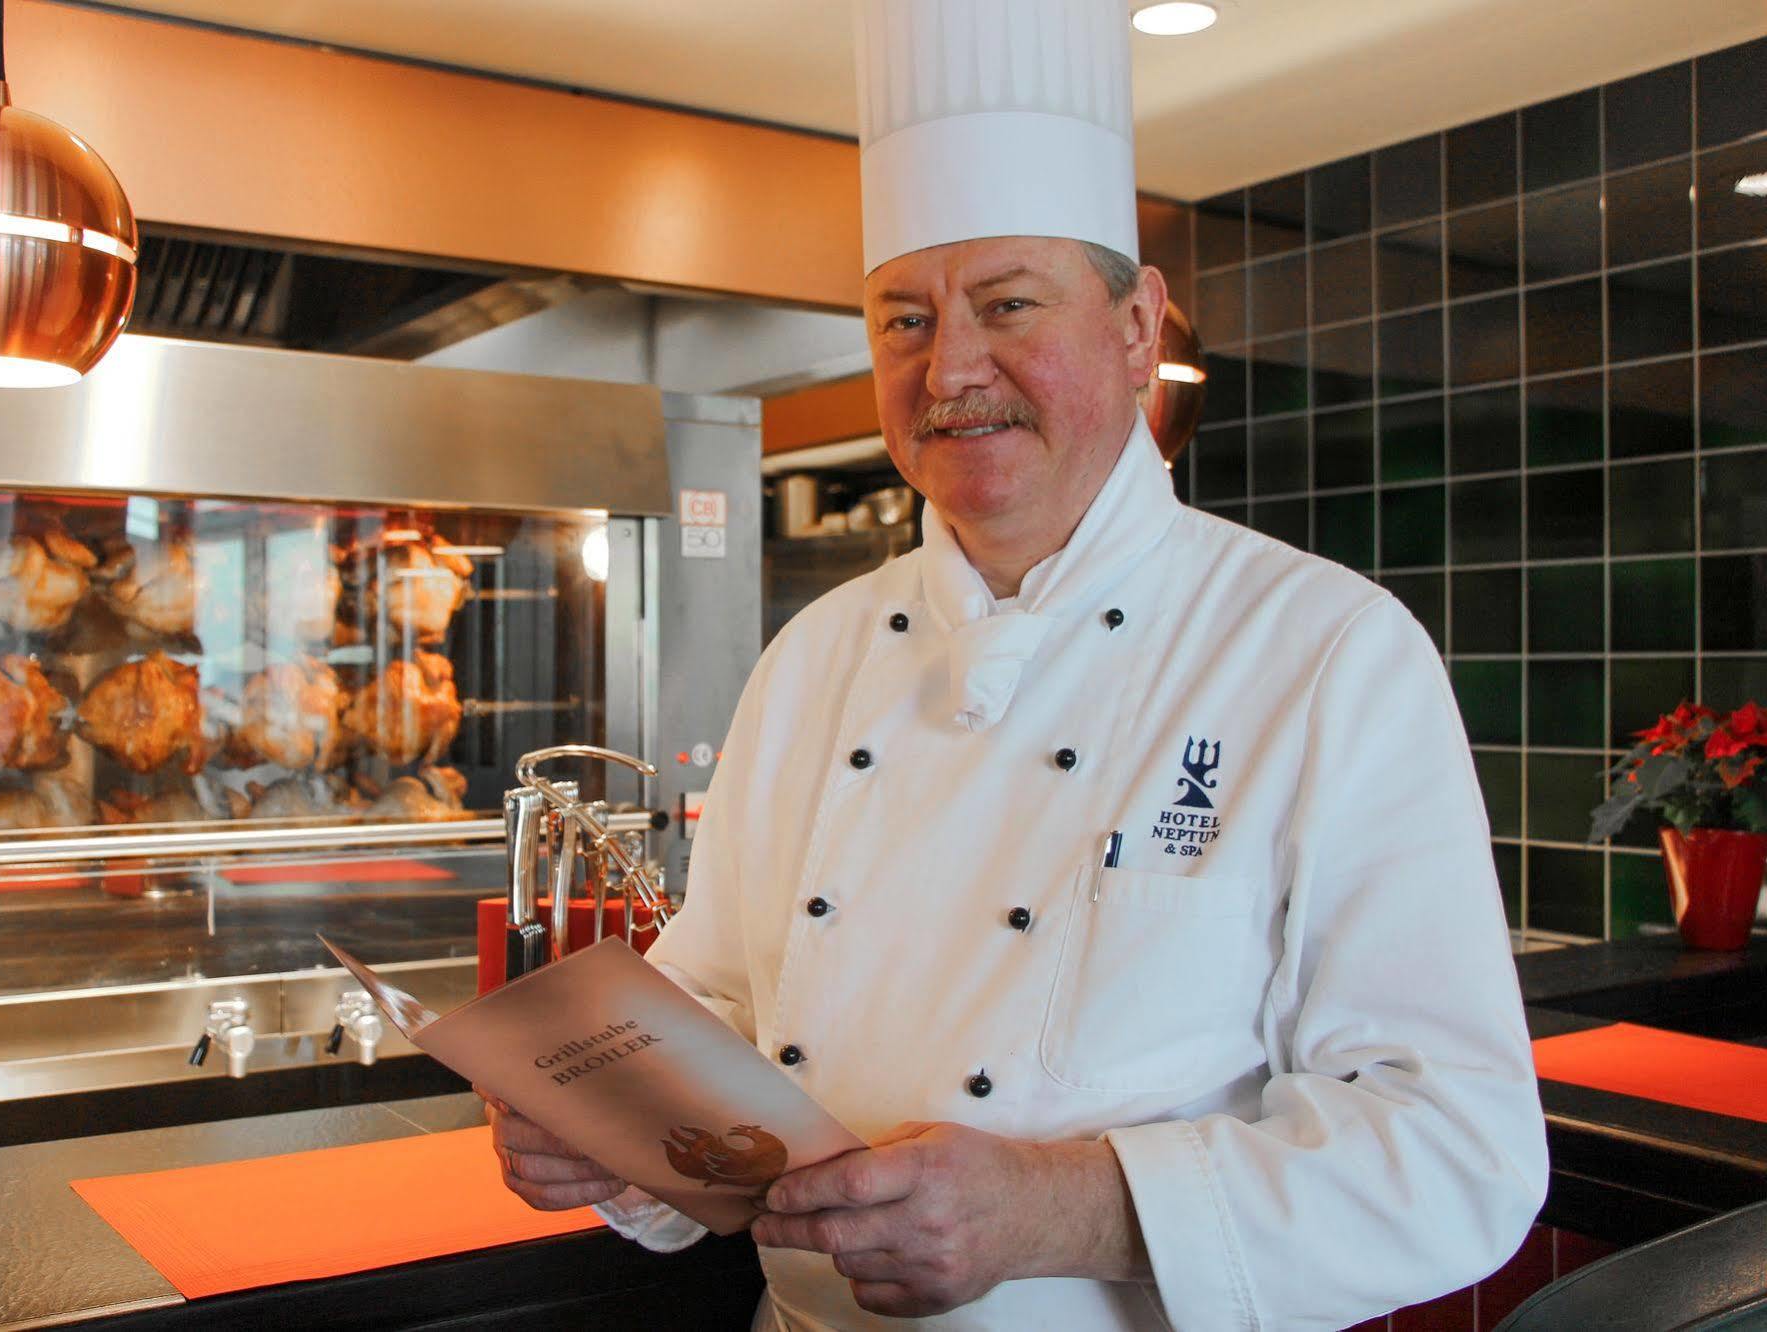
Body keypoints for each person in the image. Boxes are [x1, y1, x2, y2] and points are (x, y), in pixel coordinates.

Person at [487, 2, 1547, 1326]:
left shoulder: (1324, 650)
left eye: (1007, 305)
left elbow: (1459, 1157)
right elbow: (715, 1007)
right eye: (903, 321)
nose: (954, 368)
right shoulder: (814, 658)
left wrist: (1064, 1207)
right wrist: (607, 1132)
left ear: (1138, 324)